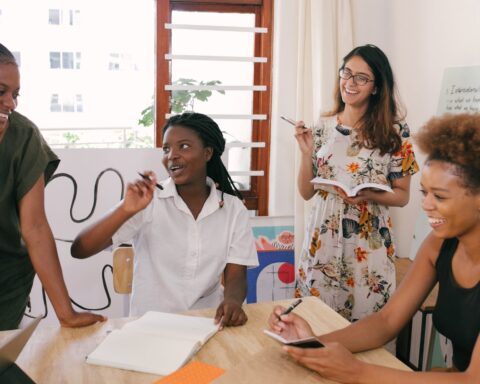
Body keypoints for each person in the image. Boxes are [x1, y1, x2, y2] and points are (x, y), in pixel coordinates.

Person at [268, 113, 480, 382]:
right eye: (425, 193)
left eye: (439, 196)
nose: (426, 205)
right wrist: (312, 343)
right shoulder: (439, 245)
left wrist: (356, 371)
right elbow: (386, 322)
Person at [71, 112, 259, 328]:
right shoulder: (149, 201)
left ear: (207, 153)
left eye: (184, 146)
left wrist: (232, 301)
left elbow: (236, 275)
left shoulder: (233, 209)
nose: (172, 156)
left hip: (207, 324)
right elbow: (80, 249)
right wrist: (125, 209)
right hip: (150, 327)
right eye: (167, 149)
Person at [294, 44, 419, 321]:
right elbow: (306, 192)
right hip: (322, 240)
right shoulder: (322, 124)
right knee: (315, 326)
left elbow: (402, 196)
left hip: (369, 246)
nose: (350, 83)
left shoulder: (396, 132)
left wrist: (369, 195)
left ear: (376, 87)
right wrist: (305, 154)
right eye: (346, 73)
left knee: (366, 327)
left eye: (361, 77)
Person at [0, 43, 105, 330]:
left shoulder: (24, 136)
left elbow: (34, 227)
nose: (11, 103)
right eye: (1, 92)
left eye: (15, 94)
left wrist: (66, 314)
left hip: (6, 278)